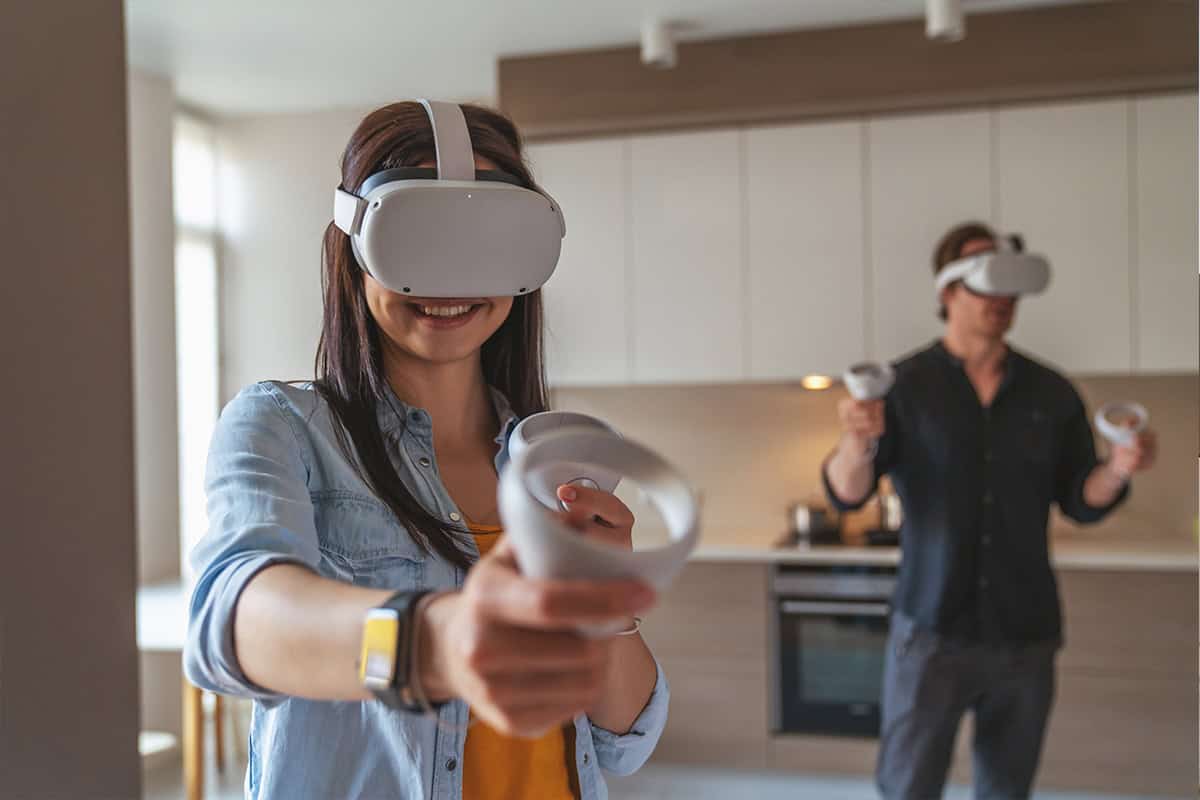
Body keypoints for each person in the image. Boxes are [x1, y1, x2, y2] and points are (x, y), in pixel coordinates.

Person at [184, 101, 667, 800]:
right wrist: (428, 644)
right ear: (354, 246)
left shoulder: (544, 464)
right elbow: (233, 622)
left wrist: (604, 602)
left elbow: (624, 740)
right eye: (416, 239)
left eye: (484, 243)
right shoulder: (283, 428)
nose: (450, 282)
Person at [823, 222, 1157, 800]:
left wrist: (1120, 468)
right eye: (987, 278)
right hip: (929, 632)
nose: (1003, 297)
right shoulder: (904, 387)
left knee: (1007, 791)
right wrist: (856, 441)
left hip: (1025, 634)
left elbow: (1081, 499)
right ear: (948, 290)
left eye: (1011, 282)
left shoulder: (1051, 393)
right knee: (908, 788)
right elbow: (846, 493)